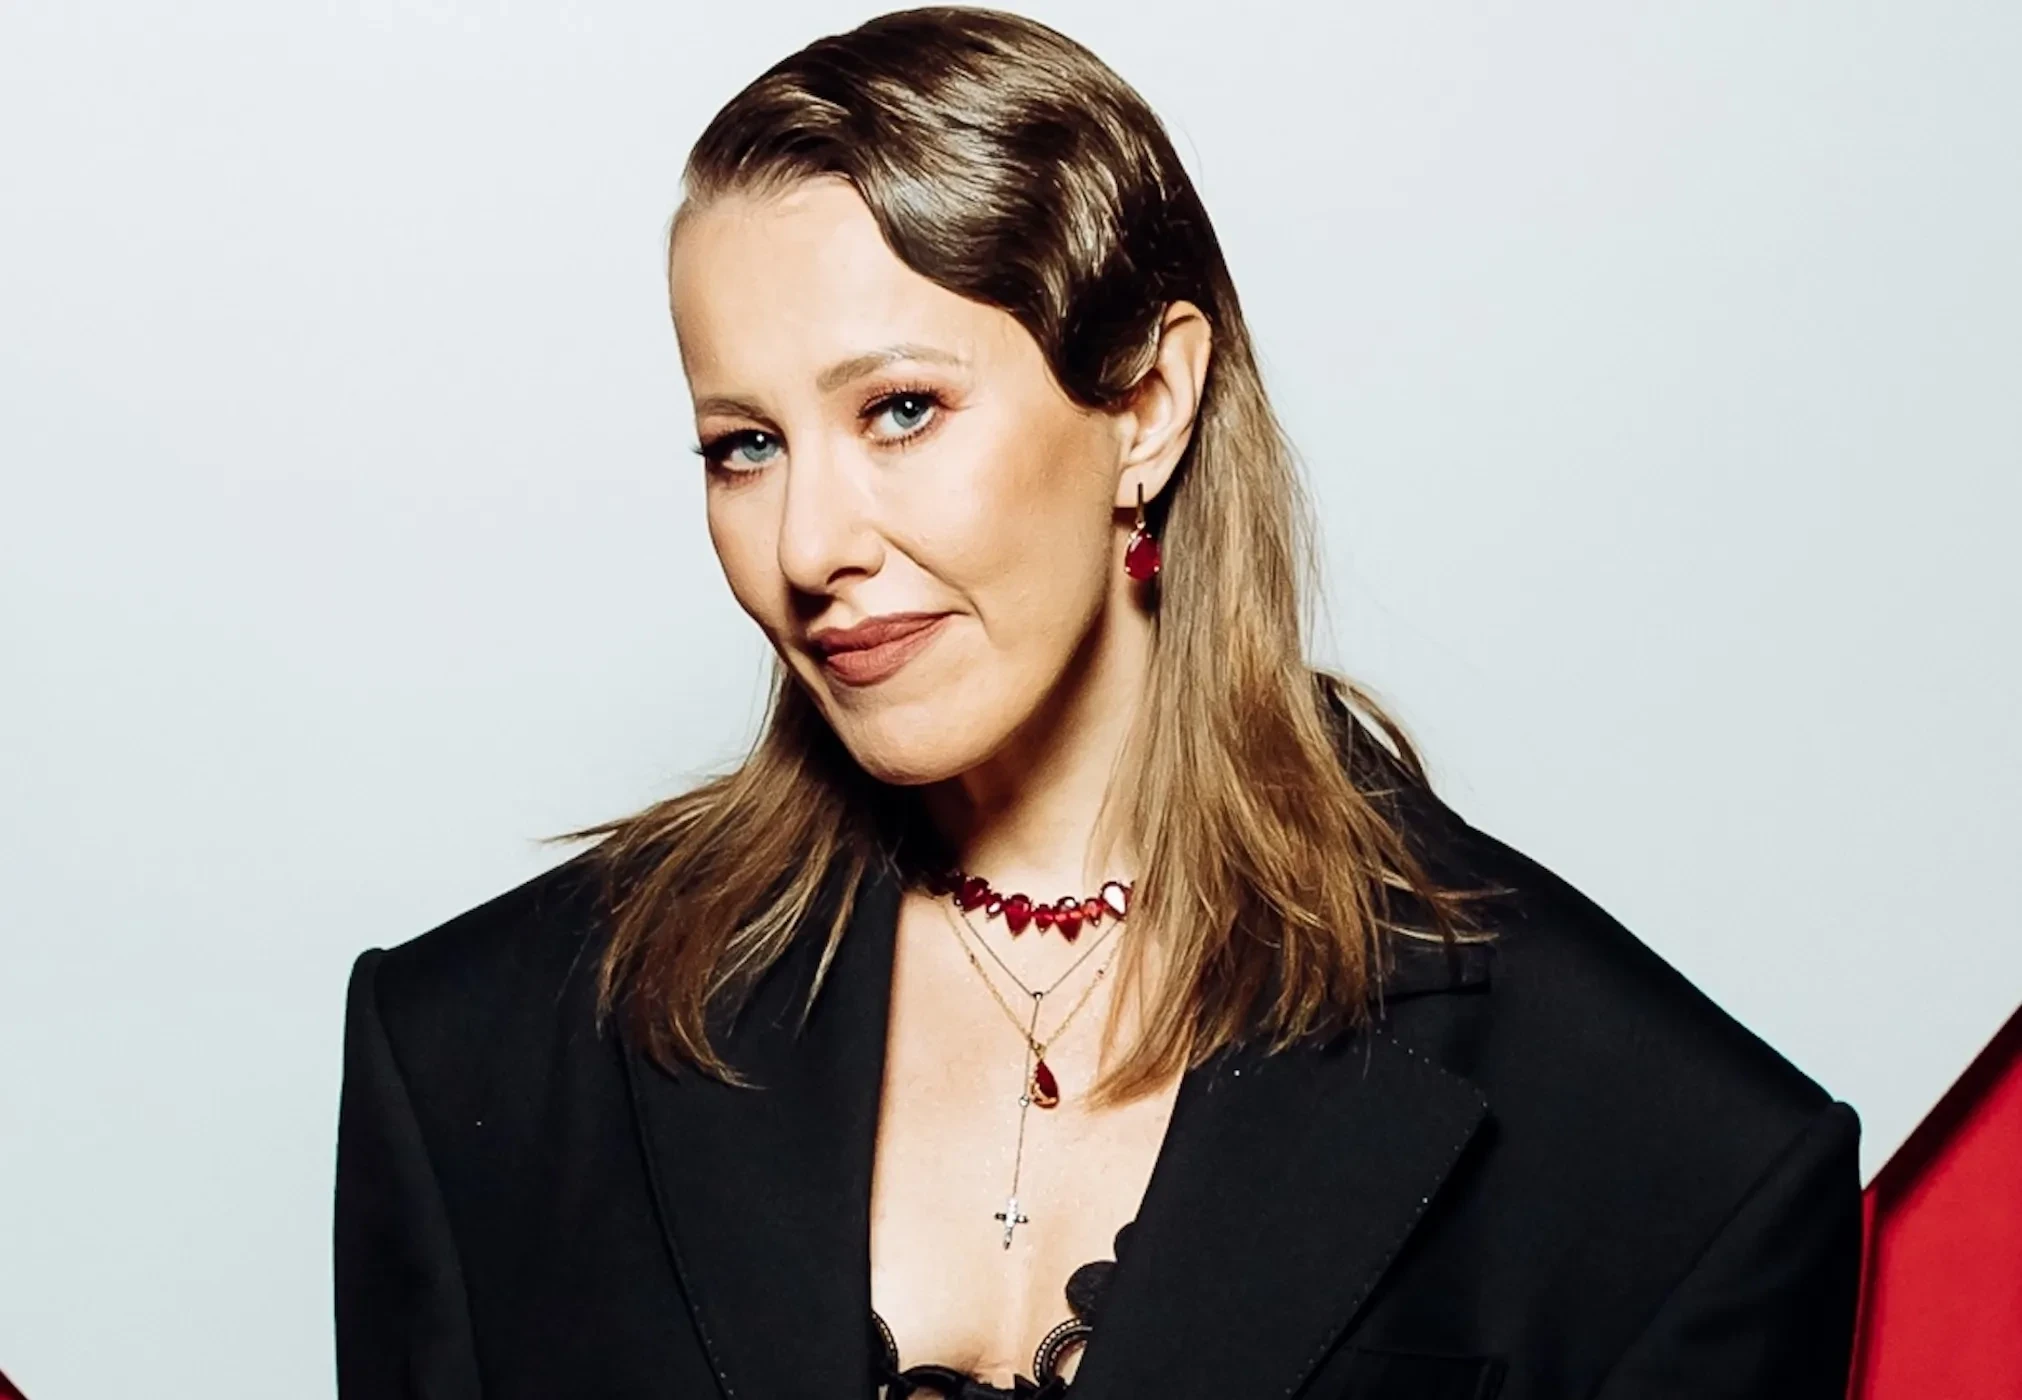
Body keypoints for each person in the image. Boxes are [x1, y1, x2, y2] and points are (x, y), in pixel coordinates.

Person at [332, 8, 1862, 1398]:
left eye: (900, 409)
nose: (806, 546)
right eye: (744, 445)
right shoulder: (475, 1052)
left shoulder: (1676, 1163)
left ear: (1146, 405)